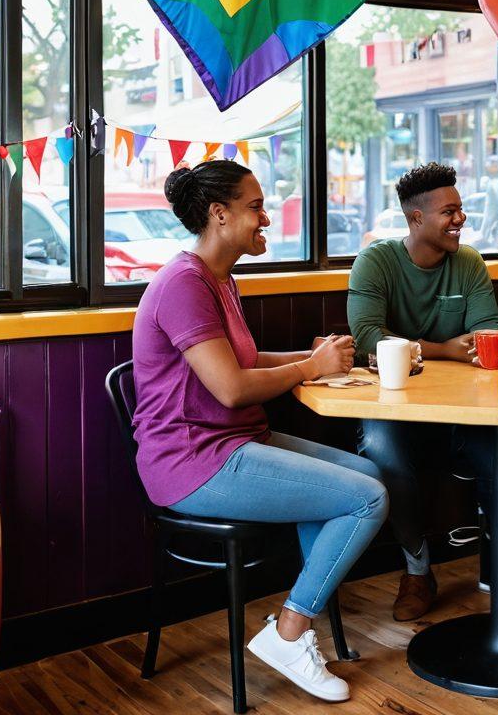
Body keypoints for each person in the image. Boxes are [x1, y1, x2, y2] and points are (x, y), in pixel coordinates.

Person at [132, 160, 388, 703]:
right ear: (219, 215)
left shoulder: (218, 278)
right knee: (366, 499)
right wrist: (309, 369)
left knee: (365, 472)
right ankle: (290, 632)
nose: (266, 217)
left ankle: (300, 621)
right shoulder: (184, 284)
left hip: (232, 443)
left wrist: (313, 356)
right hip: (191, 462)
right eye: (255, 207)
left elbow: (240, 359)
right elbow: (229, 388)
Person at [347, 162, 498, 620]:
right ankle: (417, 570)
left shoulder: (469, 262)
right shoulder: (376, 261)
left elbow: (487, 333)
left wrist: (463, 349)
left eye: (461, 210)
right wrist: (443, 350)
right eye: (449, 212)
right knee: (381, 448)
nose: (460, 220)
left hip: (461, 407)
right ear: (416, 219)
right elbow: (366, 339)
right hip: (391, 407)